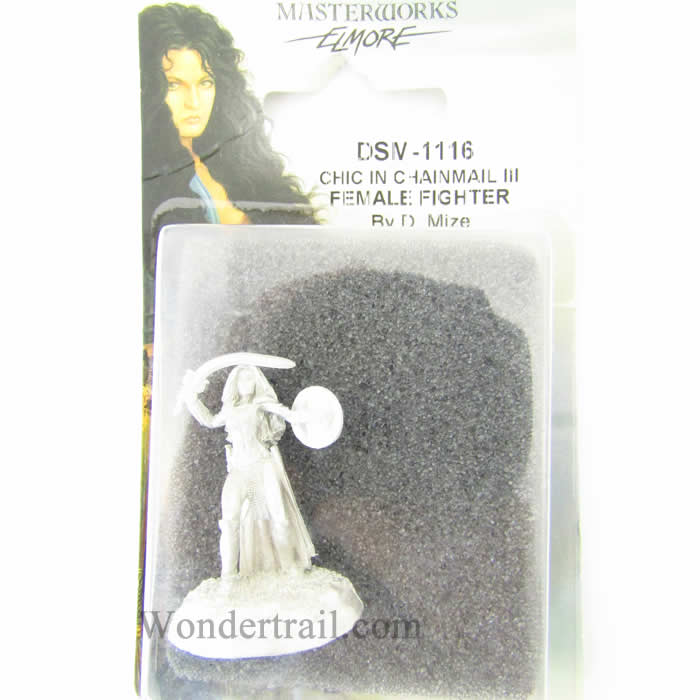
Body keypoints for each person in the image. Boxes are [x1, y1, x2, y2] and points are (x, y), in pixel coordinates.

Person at [139, 3, 317, 344]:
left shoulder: (241, 164)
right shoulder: (147, 185)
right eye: (174, 85)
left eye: (205, 82)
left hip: (272, 331)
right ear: (149, 90)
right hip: (190, 342)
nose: (194, 101)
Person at [182, 363, 316, 578]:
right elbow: (210, 420)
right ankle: (228, 576)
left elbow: (287, 414)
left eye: (250, 378)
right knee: (229, 521)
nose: (246, 383)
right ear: (235, 383)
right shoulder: (229, 410)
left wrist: (308, 416)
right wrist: (192, 399)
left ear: (256, 382)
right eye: (242, 378)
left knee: (279, 517)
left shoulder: (260, 404)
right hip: (239, 470)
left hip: (262, 465)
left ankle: (289, 566)